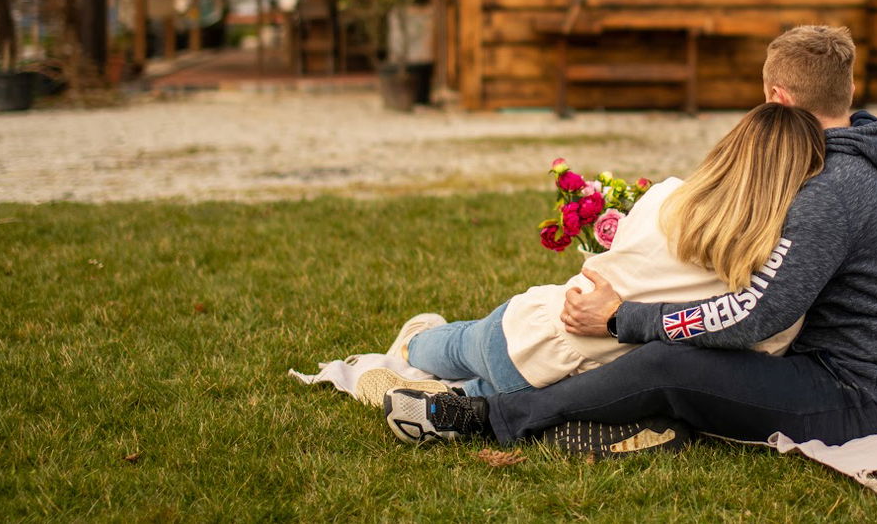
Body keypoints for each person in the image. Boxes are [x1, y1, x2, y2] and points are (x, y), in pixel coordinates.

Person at [384, 25, 877, 455]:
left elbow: (755, 315)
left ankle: (494, 418)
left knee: (668, 366)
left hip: (861, 394)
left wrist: (619, 318)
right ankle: (495, 395)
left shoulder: (832, 189)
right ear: (846, 92)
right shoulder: (869, 153)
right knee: (675, 362)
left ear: (777, 96)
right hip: (853, 367)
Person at [351, 101, 825, 410]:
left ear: (729, 151)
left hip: (536, 326)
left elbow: (624, 259)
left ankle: (412, 348)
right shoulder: (768, 268)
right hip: (574, 379)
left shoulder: (667, 198)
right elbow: (767, 343)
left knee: (457, 344)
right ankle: (436, 398)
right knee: (481, 393)